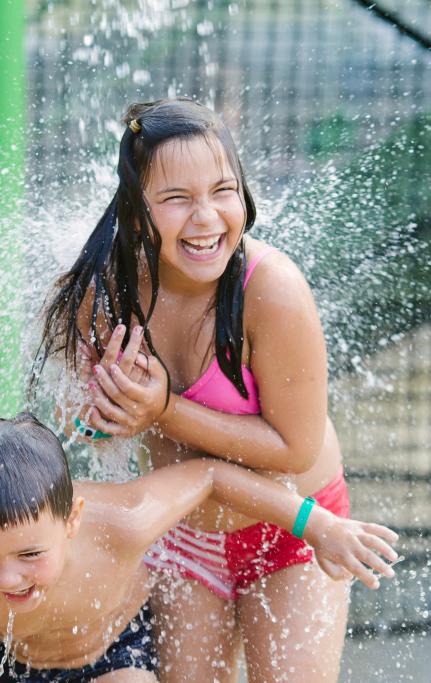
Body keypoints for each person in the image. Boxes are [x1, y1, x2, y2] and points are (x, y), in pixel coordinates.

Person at [37, 98, 362, 681]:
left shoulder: (273, 291)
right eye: (176, 199)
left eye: (222, 190)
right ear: (136, 211)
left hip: (292, 530)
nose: (207, 217)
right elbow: (80, 423)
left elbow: (295, 450)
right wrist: (97, 411)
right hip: (184, 537)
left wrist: (163, 409)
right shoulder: (108, 291)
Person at [0, 414, 399, 682]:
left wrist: (316, 524)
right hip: (7, 656)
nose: (7, 577)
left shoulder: (122, 521)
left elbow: (210, 476)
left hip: (113, 654)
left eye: (29, 555)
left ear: (73, 520)